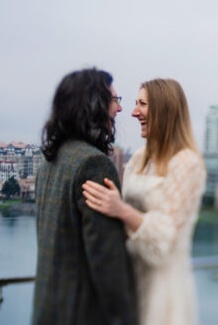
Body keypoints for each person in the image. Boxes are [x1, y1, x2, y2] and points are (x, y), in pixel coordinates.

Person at [82, 78, 206, 325]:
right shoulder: (139, 158)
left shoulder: (187, 163)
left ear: (164, 109)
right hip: (129, 283)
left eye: (142, 104)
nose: (133, 112)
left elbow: (166, 238)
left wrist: (121, 210)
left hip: (164, 293)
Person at [32, 68, 138, 325]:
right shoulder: (94, 164)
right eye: (115, 100)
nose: (120, 110)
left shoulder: (49, 163)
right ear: (93, 105)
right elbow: (107, 263)